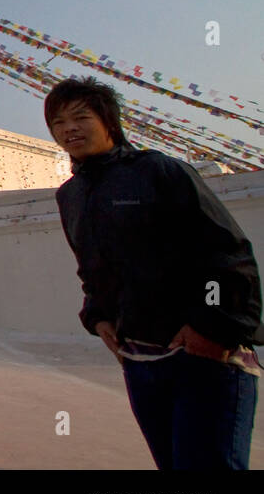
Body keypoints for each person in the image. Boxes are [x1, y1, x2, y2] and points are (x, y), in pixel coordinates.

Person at [47, 77, 262, 468]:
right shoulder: (70, 195)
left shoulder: (159, 171)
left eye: (81, 117)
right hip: (141, 360)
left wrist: (212, 328)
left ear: (109, 121)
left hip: (204, 356)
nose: (69, 129)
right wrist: (99, 316)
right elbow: (93, 268)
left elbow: (227, 255)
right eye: (58, 123)